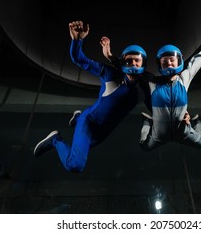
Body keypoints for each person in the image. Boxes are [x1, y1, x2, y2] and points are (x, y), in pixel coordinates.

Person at [33, 20, 150, 172]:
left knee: (81, 147)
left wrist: (182, 116)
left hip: (102, 133)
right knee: (75, 166)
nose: (133, 64)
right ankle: (55, 140)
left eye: (137, 61)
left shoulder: (144, 90)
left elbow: (160, 109)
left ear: (143, 64)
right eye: (129, 61)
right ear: (123, 63)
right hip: (89, 122)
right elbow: (79, 59)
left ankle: (77, 117)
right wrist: (77, 40)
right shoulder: (110, 74)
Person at [139, 27, 201, 151]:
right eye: (165, 61)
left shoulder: (184, 78)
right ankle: (148, 121)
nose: (169, 63)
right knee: (144, 146)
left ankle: (197, 121)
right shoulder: (152, 82)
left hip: (183, 132)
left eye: (172, 60)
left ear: (178, 60)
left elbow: (200, 58)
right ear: (160, 64)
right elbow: (131, 69)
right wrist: (111, 58)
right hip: (159, 134)